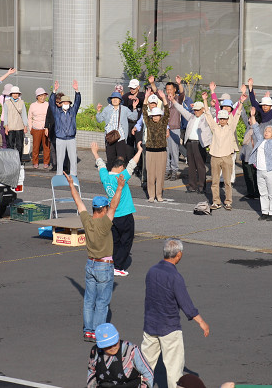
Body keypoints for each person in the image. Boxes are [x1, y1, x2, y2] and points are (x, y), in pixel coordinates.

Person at [64, 171, 125, 342]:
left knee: (89, 300)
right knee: (102, 303)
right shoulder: (105, 223)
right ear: (103, 209)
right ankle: (99, 333)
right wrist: (119, 187)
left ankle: (88, 330)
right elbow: (114, 205)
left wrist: (71, 185)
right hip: (104, 267)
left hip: (90, 264)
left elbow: (79, 202)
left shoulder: (87, 220)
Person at [142, 238, 209, 388]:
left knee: (145, 366)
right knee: (174, 370)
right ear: (178, 254)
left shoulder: (151, 271)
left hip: (150, 325)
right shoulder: (175, 277)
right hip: (169, 328)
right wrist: (201, 322)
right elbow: (186, 303)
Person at [91, 140, 143, 277]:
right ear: (120, 168)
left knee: (114, 241)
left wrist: (95, 153)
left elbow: (100, 164)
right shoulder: (121, 177)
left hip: (112, 215)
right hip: (125, 214)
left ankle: (111, 263)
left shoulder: (105, 177)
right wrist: (139, 151)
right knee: (126, 241)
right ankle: (118, 267)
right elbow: (132, 164)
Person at [203, 92, 242, 210]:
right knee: (214, 182)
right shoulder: (215, 127)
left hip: (227, 157)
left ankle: (228, 202)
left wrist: (241, 102)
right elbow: (208, 115)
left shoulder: (230, 127)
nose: (222, 120)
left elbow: (237, 115)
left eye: (224, 118)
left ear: (227, 119)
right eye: (221, 118)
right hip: (215, 156)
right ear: (219, 119)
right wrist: (205, 100)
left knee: (227, 182)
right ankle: (216, 201)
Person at [87, 323, 154, 388]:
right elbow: (91, 372)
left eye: (115, 343)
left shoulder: (131, 350)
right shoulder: (95, 351)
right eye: (108, 346)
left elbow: (148, 373)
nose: (113, 348)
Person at [249, 105, 272, 220]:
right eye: (265, 131)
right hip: (260, 170)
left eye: (269, 131)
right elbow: (255, 127)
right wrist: (252, 115)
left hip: (270, 170)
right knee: (263, 193)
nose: (266, 132)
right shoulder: (260, 140)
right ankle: (264, 212)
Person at [150, 75, 185, 181]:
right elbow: (157, 93)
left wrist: (179, 83)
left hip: (175, 128)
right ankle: (166, 170)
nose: (169, 91)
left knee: (174, 151)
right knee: (166, 150)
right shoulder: (164, 98)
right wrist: (152, 83)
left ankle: (174, 170)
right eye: (167, 89)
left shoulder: (178, 98)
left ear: (175, 90)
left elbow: (182, 93)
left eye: (171, 89)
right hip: (164, 128)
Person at [173, 97, 211, 193]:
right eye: (195, 110)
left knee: (200, 166)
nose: (196, 111)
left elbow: (210, 112)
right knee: (191, 165)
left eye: (198, 110)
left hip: (199, 144)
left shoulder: (206, 118)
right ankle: (192, 186)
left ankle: (202, 186)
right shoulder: (191, 117)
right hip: (190, 143)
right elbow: (182, 110)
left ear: (202, 109)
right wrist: (173, 101)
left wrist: (206, 100)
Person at [96, 92, 139, 169]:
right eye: (113, 98)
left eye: (117, 98)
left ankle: (120, 176)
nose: (115, 100)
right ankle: (110, 175)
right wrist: (98, 111)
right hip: (110, 138)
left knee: (121, 158)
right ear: (111, 100)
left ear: (120, 101)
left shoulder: (124, 109)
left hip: (121, 137)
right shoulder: (107, 109)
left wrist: (134, 108)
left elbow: (134, 117)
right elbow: (99, 120)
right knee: (110, 158)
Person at [142, 89, 170, 202]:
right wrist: (146, 97)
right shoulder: (148, 122)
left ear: (160, 115)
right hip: (150, 151)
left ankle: (159, 195)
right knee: (150, 175)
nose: (155, 117)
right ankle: (151, 195)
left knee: (160, 175)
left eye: (157, 115)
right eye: (153, 115)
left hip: (161, 151)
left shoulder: (163, 123)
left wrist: (163, 98)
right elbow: (144, 111)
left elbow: (167, 111)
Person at [49, 80, 81, 176]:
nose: (66, 103)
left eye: (67, 102)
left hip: (71, 138)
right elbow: (51, 103)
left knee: (73, 157)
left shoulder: (72, 111)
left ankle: (73, 174)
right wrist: (54, 91)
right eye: (64, 102)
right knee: (60, 157)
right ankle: (59, 174)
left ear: (69, 103)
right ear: (61, 103)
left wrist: (77, 91)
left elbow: (77, 102)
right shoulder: (57, 111)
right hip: (60, 138)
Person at [28, 87, 51, 169]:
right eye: (40, 96)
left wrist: (48, 127)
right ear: (37, 96)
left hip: (46, 129)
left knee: (46, 146)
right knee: (36, 147)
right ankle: (35, 162)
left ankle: (46, 162)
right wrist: (31, 128)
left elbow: (50, 117)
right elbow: (29, 118)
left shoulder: (48, 104)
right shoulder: (33, 105)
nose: (42, 97)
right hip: (36, 128)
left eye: (44, 95)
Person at [3, 86, 28, 158]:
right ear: (11, 94)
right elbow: (5, 115)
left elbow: (24, 114)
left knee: (19, 145)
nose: (15, 95)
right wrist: (6, 126)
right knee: (10, 145)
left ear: (19, 94)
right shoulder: (7, 103)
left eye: (17, 93)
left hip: (19, 127)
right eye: (14, 93)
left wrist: (25, 125)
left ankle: (19, 161)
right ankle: (11, 161)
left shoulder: (22, 102)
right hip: (10, 127)